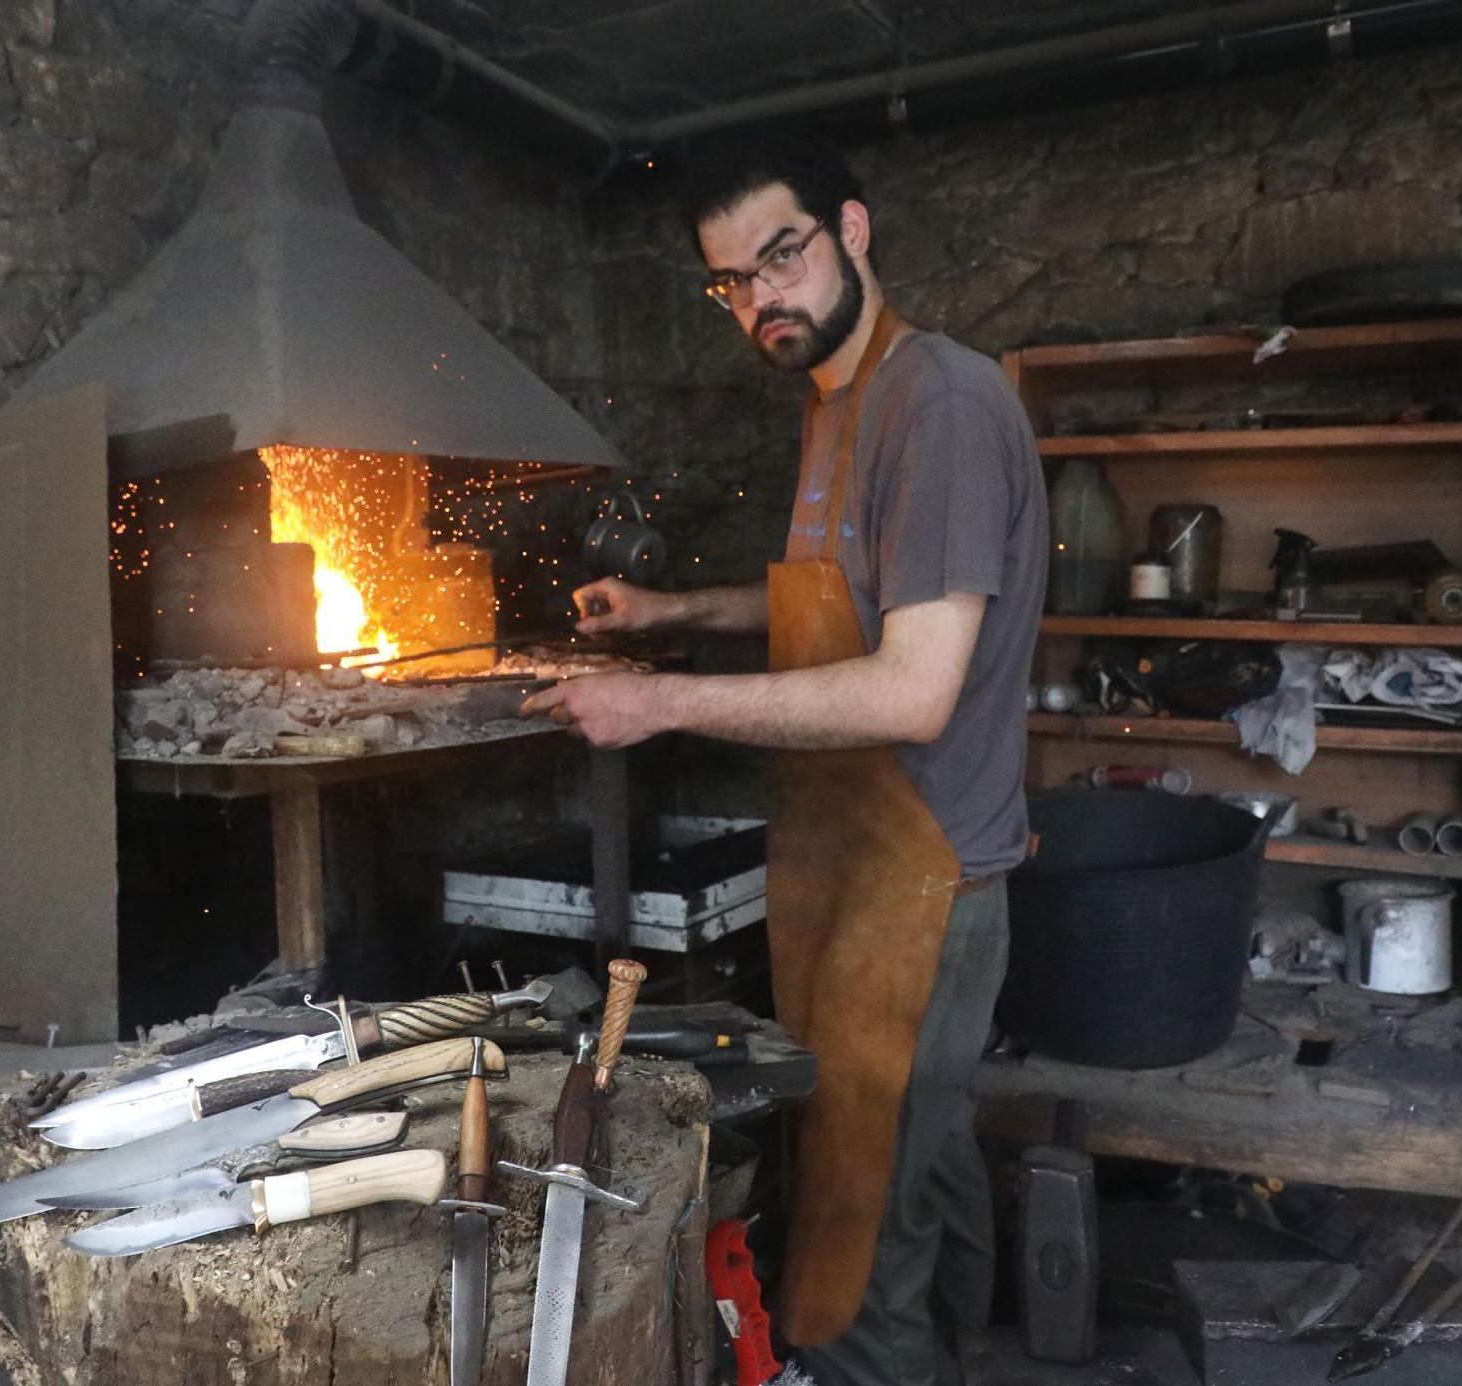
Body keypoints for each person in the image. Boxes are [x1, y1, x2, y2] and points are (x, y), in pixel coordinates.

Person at [524, 137, 1049, 1386]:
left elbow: (912, 688)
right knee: (921, 1166)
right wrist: (671, 619)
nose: (763, 298)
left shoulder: (940, 403)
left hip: (920, 883)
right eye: (731, 282)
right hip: (853, 868)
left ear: (851, 232)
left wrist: (655, 710)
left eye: (782, 254)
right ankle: (973, 1356)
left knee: (856, 1233)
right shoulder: (836, 399)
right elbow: (834, 603)